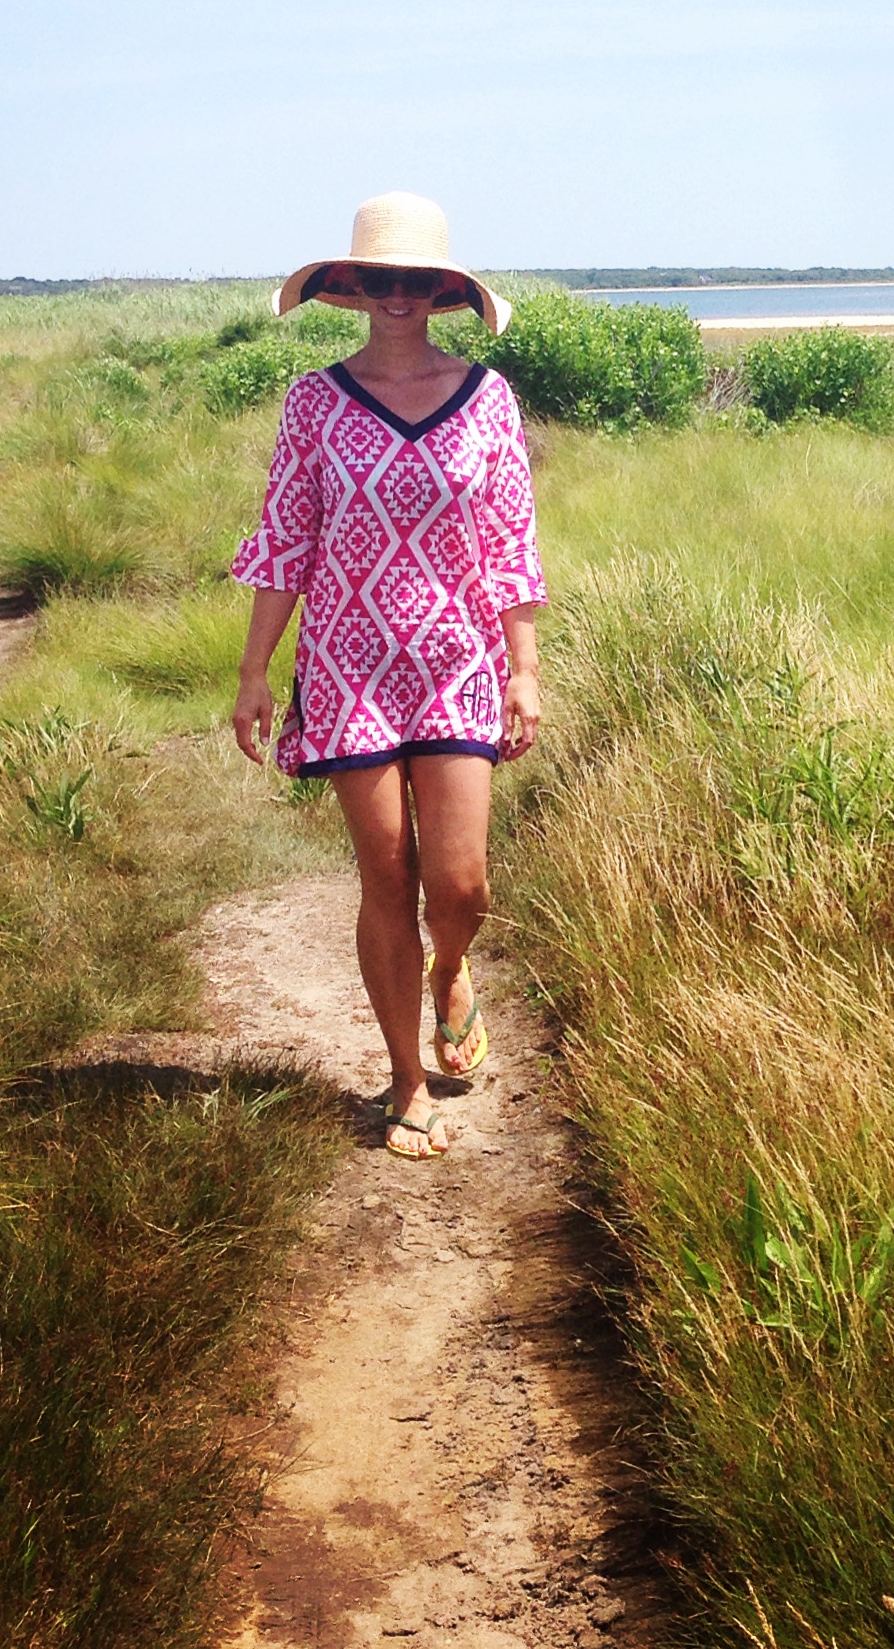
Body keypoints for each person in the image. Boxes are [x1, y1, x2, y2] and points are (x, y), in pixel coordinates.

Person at [230, 192, 546, 1159]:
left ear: (443, 290)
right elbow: (287, 538)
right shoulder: (314, 401)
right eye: (381, 277)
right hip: (346, 666)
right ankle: (406, 1082)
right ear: (355, 286)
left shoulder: (486, 396)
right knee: (387, 876)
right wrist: (254, 674)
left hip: (459, 662)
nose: (398, 293)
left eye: (416, 278)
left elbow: (511, 543)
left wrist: (524, 669)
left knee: (460, 882)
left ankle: (451, 967)